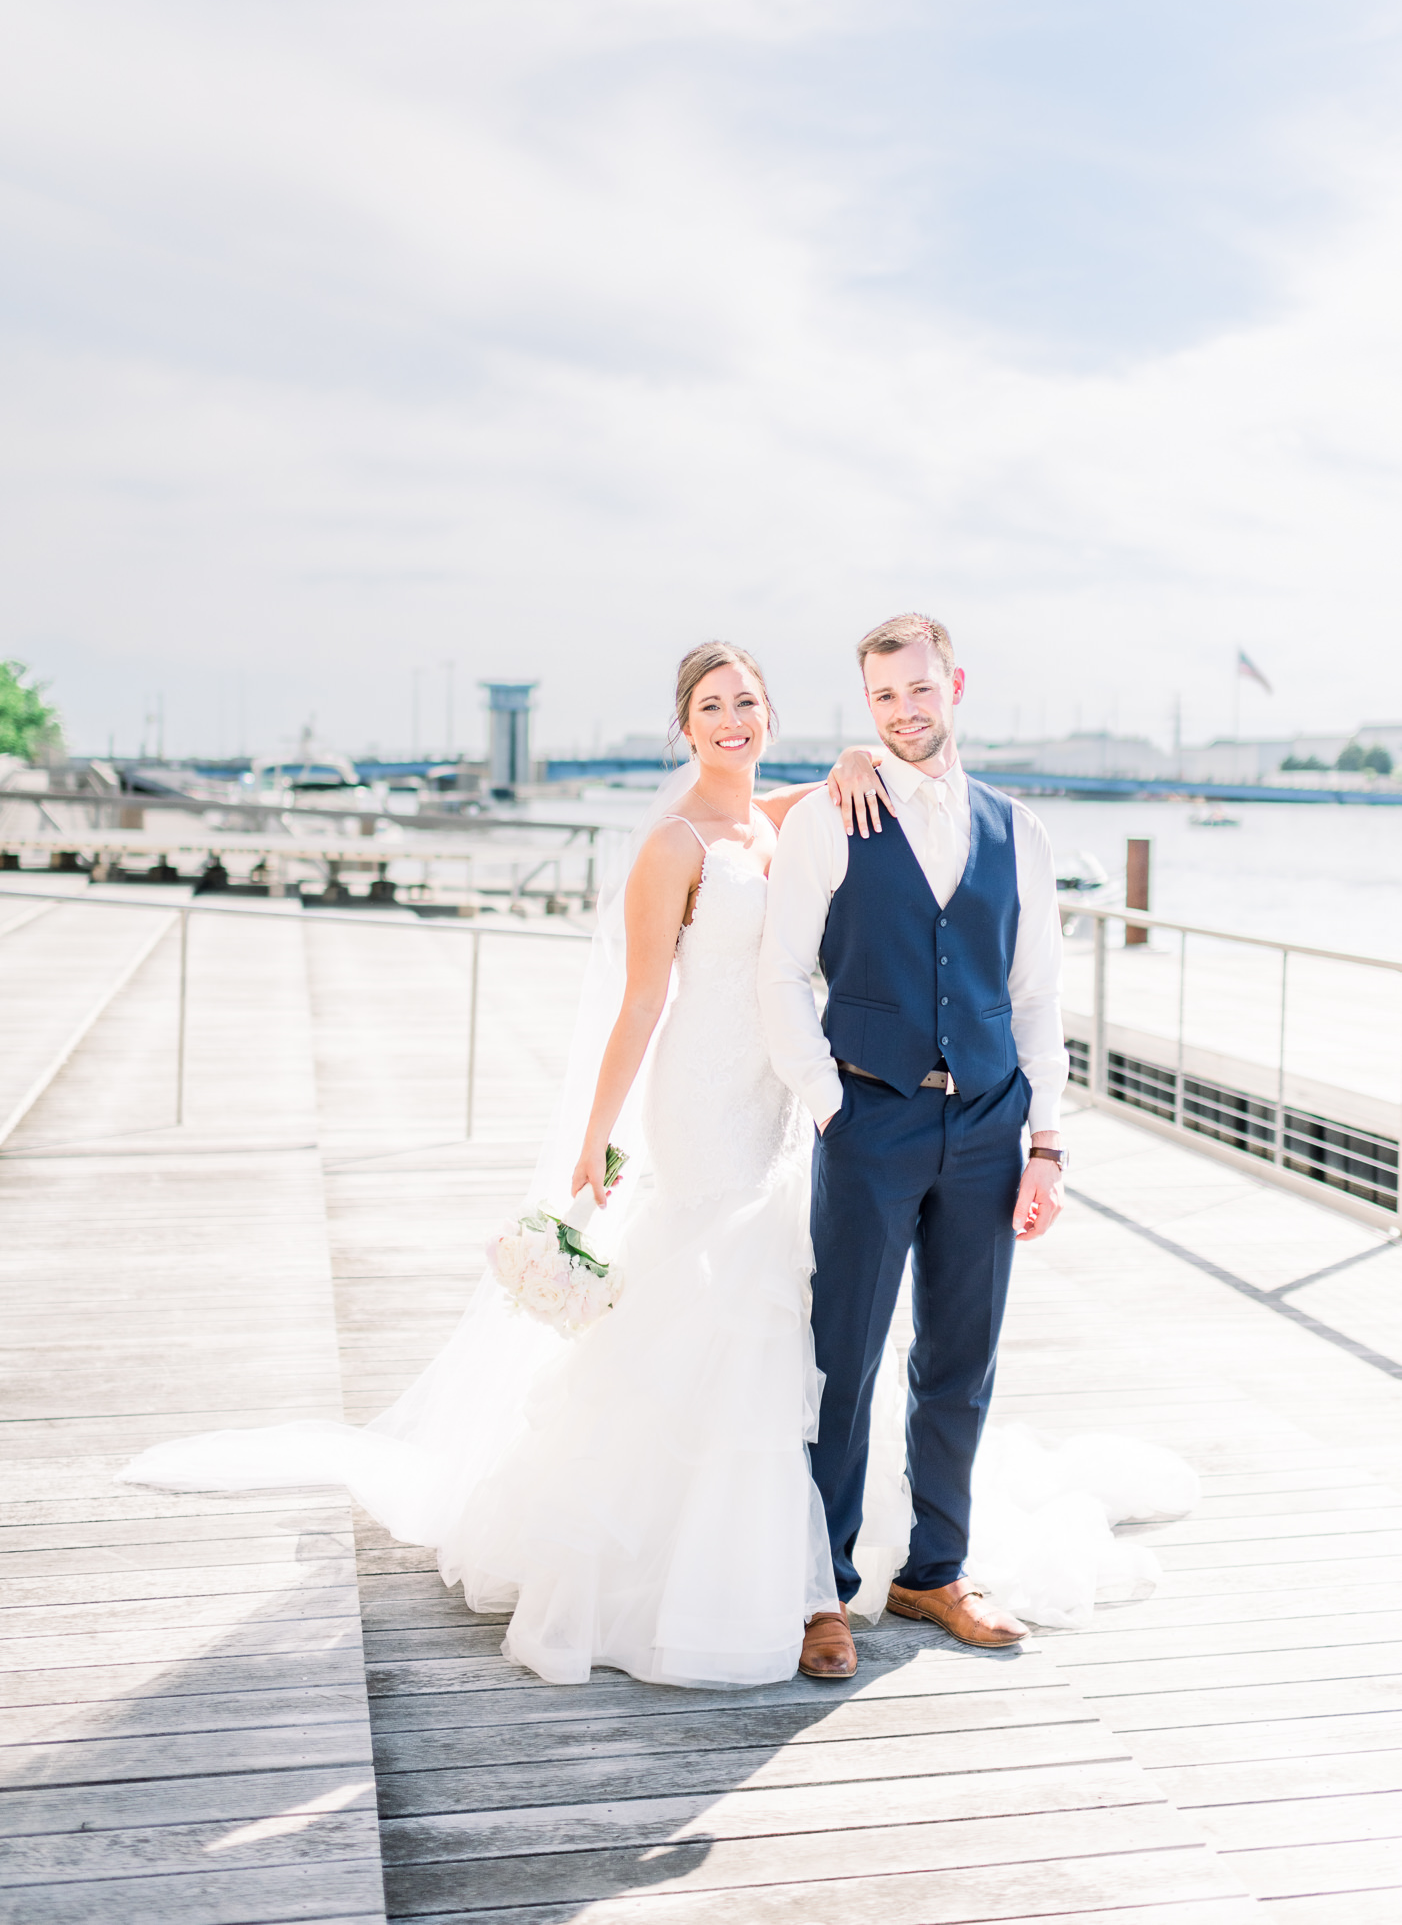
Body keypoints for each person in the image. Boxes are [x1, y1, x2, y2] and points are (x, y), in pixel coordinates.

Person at [120, 642, 891, 1688]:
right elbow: (641, 1001)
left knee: (777, 1319)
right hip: (700, 1106)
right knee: (721, 1315)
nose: (730, 722)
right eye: (709, 707)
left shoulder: (775, 817)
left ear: (769, 714)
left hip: (774, 1110)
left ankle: (787, 1569)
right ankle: (774, 1587)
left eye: (746, 703)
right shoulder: (673, 845)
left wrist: (856, 751)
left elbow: (854, 778)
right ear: (683, 728)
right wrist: (594, 1135)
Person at [758, 611, 1069, 1679]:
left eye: (919, 690)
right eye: (883, 697)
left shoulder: (1016, 829)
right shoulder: (828, 817)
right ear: (868, 703)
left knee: (959, 1363)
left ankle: (933, 1570)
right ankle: (823, 1593)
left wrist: (1047, 1145)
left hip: (988, 1127)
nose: (903, 711)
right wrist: (829, 1103)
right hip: (870, 1120)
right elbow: (780, 975)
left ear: (955, 686)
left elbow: (1036, 999)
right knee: (840, 1360)